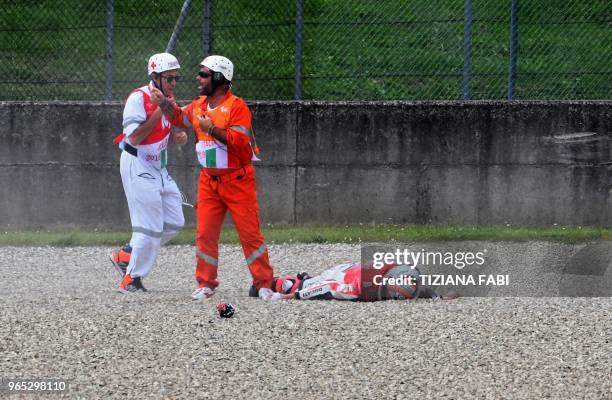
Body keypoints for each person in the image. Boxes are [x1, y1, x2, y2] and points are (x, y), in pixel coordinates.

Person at [157, 55, 275, 301]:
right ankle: (205, 283)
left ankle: (263, 283)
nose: (198, 79)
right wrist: (167, 106)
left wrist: (211, 129)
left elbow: (242, 146)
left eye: (204, 74)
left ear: (220, 78)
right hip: (209, 182)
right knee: (205, 234)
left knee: (250, 235)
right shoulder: (199, 104)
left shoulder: (236, 107)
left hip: (238, 181)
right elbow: (180, 118)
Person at [109, 52, 187, 293]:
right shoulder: (138, 98)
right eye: (169, 79)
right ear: (155, 77)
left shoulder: (169, 99)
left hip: (158, 167)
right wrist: (159, 109)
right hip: (137, 163)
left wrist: (176, 135)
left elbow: (170, 125)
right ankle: (131, 279)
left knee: (175, 221)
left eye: (176, 79)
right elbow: (134, 138)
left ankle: (127, 254)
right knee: (149, 227)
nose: (174, 84)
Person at [268, 262, 459, 301]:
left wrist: (440, 297)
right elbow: (326, 287)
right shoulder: (360, 288)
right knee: (297, 285)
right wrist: (290, 296)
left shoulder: (399, 277)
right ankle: (278, 285)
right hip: (337, 276)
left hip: (343, 271)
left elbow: (419, 288)